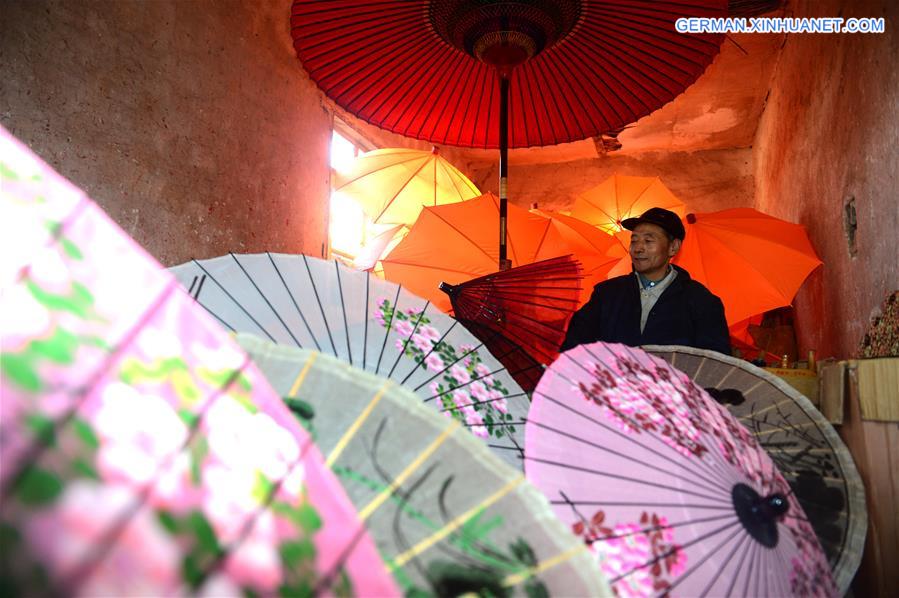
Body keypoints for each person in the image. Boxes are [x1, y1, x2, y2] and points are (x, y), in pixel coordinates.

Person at [561, 207, 731, 355]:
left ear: (673, 247)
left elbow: (714, 363)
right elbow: (574, 349)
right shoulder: (607, 294)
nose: (638, 248)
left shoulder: (700, 301)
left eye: (648, 241)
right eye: (634, 240)